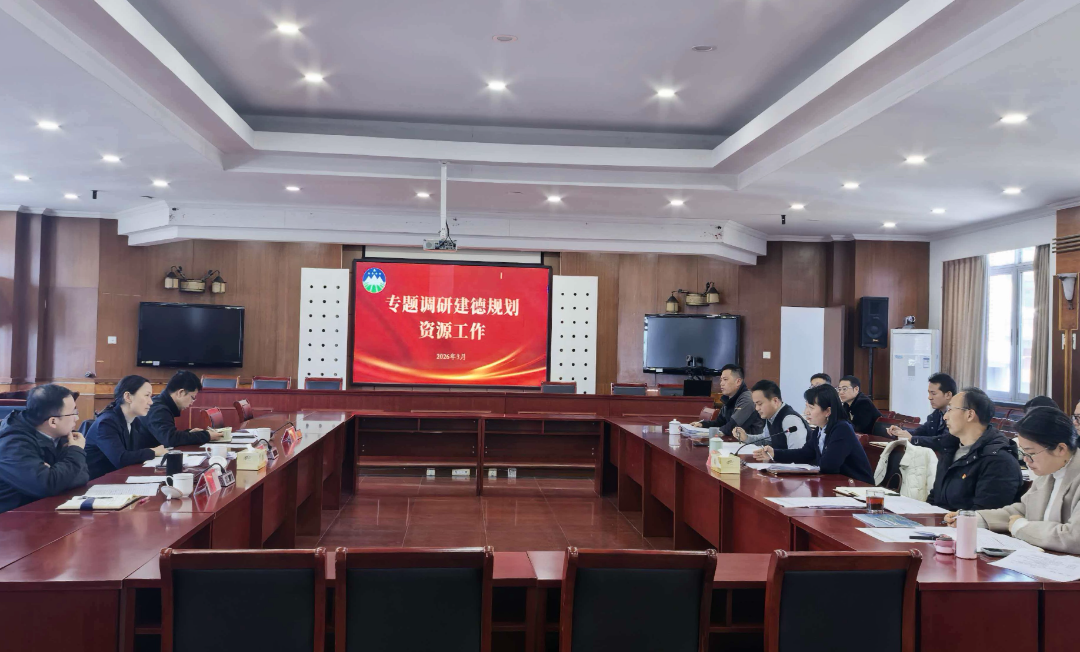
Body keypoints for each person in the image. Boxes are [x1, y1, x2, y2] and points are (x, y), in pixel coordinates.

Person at [945, 407, 1080, 554]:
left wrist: (1021, 527)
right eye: (1023, 453)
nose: (1026, 460)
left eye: (1031, 453)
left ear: (1060, 449)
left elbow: (1074, 538)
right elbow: (1023, 510)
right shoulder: (1049, 472)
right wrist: (974, 518)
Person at [919, 387, 1022, 511]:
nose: (945, 416)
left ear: (969, 415)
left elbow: (984, 515)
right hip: (942, 521)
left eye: (950, 409)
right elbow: (935, 497)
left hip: (964, 523)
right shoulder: (950, 449)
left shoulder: (998, 460)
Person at [753, 384, 875, 484]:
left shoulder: (842, 429)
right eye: (806, 407)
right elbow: (804, 454)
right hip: (837, 484)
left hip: (858, 487)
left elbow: (828, 466)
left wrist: (810, 466)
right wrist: (774, 453)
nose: (806, 412)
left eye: (811, 408)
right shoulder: (820, 429)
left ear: (827, 411)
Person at [0, 384, 89, 513]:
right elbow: (47, 486)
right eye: (73, 413)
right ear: (53, 421)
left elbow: (82, 475)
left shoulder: (62, 435)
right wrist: (76, 451)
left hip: (44, 510)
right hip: (11, 518)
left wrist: (55, 474)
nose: (77, 418)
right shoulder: (13, 444)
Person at [85, 375, 166, 479]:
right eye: (147, 395)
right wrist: (153, 452)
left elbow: (135, 452)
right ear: (128, 397)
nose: (151, 402)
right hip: (97, 482)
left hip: (118, 478)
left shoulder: (134, 421)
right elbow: (121, 459)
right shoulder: (107, 422)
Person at [142, 371, 224, 447]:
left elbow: (168, 434)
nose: (192, 402)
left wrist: (190, 433)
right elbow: (170, 439)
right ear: (180, 392)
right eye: (192, 398)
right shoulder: (158, 409)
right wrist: (207, 435)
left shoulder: (161, 404)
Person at [690, 364, 764, 437]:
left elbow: (732, 427)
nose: (721, 383)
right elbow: (720, 422)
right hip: (733, 440)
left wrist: (708, 433)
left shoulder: (747, 398)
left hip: (749, 442)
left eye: (725, 379)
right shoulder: (729, 397)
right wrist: (703, 424)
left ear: (738, 382)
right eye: (721, 380)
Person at [732, 380, 809, 449]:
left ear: (775, 401)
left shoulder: (790, 420)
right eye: (755, 404)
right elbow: (767, 440)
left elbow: (797, 454)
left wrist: (775, 455)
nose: (757, 408)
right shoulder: (771, 416)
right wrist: (746, 438)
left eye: (759, 404)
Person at [890, 373, 956, 440]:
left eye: (933, 393)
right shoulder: (935, 415)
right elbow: (920, 432)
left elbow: (944, 441)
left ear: (948, 395)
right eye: (929, 393)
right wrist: (900, 432)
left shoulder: (957, 416)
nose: (929, 397)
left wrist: (913, 439)